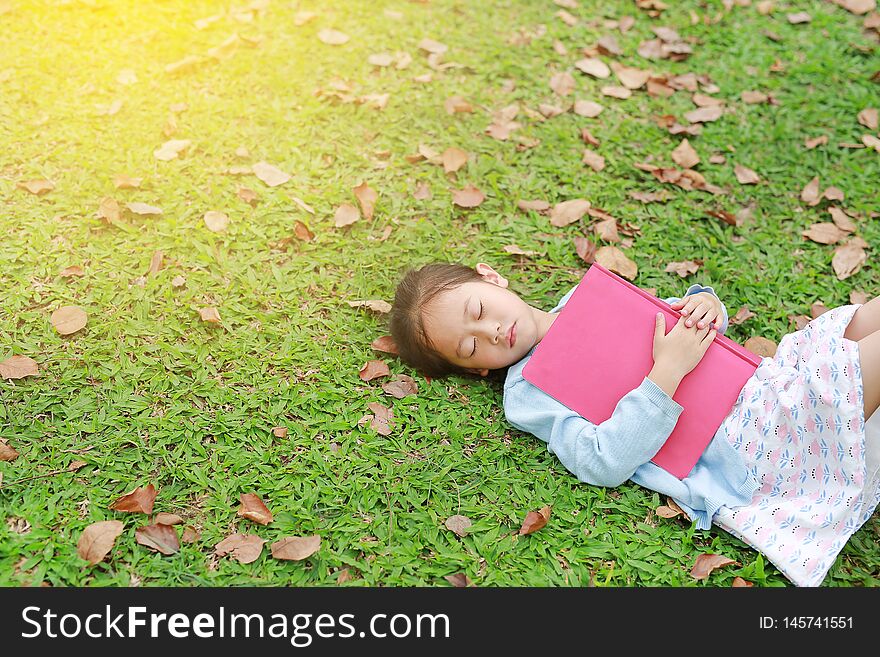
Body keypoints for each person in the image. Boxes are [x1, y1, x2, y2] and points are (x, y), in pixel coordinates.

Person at [389, 261, 880, 586]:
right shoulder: (527, 393)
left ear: (492, 278)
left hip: (763, 383)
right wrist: (665, 373)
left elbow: (692, 326)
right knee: (849, 362)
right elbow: (602, 461)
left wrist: (705, 307)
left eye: (478, 310)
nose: (491, 331)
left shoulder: (591, 295)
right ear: (476, 369)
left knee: (860, 325)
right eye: (471, 346)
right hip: (746, 442)